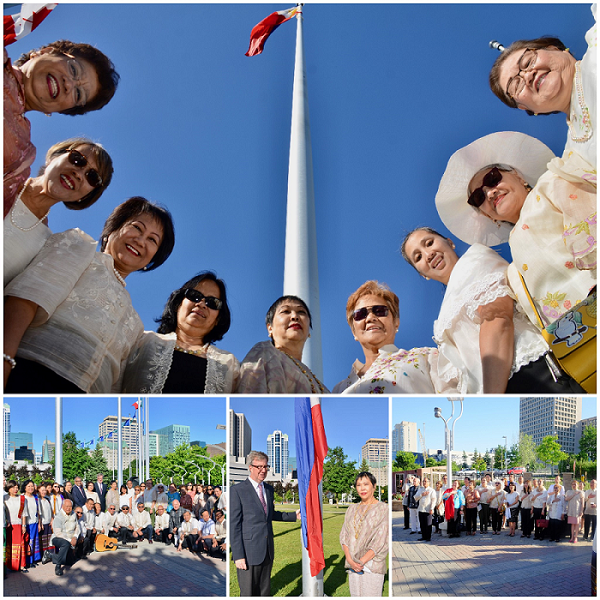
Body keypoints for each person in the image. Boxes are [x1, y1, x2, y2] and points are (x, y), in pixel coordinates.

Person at [434, 132, 595, 391]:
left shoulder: (554, 184)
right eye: (478, 198)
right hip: (582, 353)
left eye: (492, 178)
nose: (489, 192)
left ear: (518, 176)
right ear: (488, 216)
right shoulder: (511, 273)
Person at [4, 196, 175, 393]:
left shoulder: (136, 324)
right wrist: (5, 360)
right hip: (27, 376)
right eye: (137, 227)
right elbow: (25, 298)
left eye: (152, 240)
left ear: (151, 260)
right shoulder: (78, 246)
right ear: (112, 229)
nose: (140, 240)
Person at [402, 227, 564, 393]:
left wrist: (491, 396)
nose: (428, 255)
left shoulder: (475, 259)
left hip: (528, 370)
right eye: (418, 257)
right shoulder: (444, 313)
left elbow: (497, 319)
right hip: (496, 389)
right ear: (423, 275)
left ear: (450, 243)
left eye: (429, 243)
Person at [4, 39, 119, 217]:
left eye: (78, 94)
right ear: (45, 51)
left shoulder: (21, 155)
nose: (69, 85)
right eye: (73, 69)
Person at [488, 6, 596, 167]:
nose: (527, 75)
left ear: (555, 49)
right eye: (516, 85)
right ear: (525, 107)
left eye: (528, 61)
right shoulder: (572, 166)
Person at [4, 138, 113, 288]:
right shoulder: (5, 174)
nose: (79, 174)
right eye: (77, 159)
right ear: (54, 156)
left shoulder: (45, 245)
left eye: (92, 177)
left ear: (86, 196)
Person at [122, 271, 239, 393]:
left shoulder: (230, 365)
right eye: (194, 295)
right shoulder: (142, 341)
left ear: (218, 319)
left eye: (212, 302)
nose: (202, 304)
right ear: (178, 304)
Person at [333, 281, 447, 394]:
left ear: (396, 322)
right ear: (354, 332)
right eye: (360, 314)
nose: (370, 318)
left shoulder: (426, 357)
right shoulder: (339, 389)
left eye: (380, 311)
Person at [231, 450, 299, 596]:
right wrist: (238, 555)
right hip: (248, 553)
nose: (263, 470)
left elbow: (270, 514)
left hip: (267, 550)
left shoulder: (268, 489)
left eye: (266, 467)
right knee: (249, 593)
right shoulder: (237, 491)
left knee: (264, 592)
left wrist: (294, 516)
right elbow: (234, 526)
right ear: (250, 467)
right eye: (259, 467)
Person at [237, 296, 328, 393]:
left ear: (309, 331)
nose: (294, 316)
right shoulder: (264, 353)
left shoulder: (319, 384)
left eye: (301, 312)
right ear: (270, 328)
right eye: (285, 311)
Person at [340, 472, 388, 597]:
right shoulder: (351, 509)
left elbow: (382, 540)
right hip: (353, 564)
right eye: (358, 485)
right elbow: (344, 536)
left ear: (374, 486)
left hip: (372, 565)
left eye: (366, 484)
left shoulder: (383, 509)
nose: (362, 488)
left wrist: (361, 562)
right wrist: (350, 560)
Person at [42, 499, 78, 577]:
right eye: (66, 506)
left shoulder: (74, 514)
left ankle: (49, 555)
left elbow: (77, 527)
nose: (68, 508)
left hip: (70, 538)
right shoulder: (58, 517)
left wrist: (75, 537)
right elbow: (58, 533)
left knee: (69, 561)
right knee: (65, 544)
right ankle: (58, 567)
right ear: (62, 506)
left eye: (70, 506)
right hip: (58, 538)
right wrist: (69, 540)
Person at [4, 480, 27, 572]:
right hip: (9, 525)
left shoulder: (21, 498)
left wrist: (24, 525)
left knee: (20, 545)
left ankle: (21, 565)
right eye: (13, 487)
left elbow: (24, 514)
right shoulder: (4, 498)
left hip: (18, 524)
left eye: (17, 487)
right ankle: (10, 565)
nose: (15, 489)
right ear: (8, 488)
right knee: (9, 545)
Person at [22, 480, 41, 567]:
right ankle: (26, 561)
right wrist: (23, 525)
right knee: (26, 542)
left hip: (34, 522)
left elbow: (38, 511)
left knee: (33, 542)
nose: (31, 488)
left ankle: (32, 560)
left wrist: (39, 523)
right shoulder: (22, 498)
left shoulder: (35, 497)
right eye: (29, 486)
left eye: (32, 486)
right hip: (26, 524)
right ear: (25, 487)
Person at [415, 477, 437, 542]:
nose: (424, 483)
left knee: (428, 524)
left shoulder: (431, 490)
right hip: (421, 509)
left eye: (426, 481)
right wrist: (422, 494)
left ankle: (428, 537)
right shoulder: (420, 490)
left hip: (428, 509)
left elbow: (433, 500)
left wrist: (431, 508)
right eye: (423, 481)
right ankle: (423, 536)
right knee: (422, 524)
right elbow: (415, 497)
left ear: (429, 482)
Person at [37, 484, 53, 555]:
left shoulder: (47, 499)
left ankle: (50, 554)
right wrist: (40, 523)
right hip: (43, 523)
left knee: (49, 539)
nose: (44, 492)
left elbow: (51, 511)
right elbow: (39, 513)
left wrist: (52, 519)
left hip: (49, 522)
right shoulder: (38, 500)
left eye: (45, 490)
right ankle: (44, 555)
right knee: (43, 540)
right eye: (42, 490)